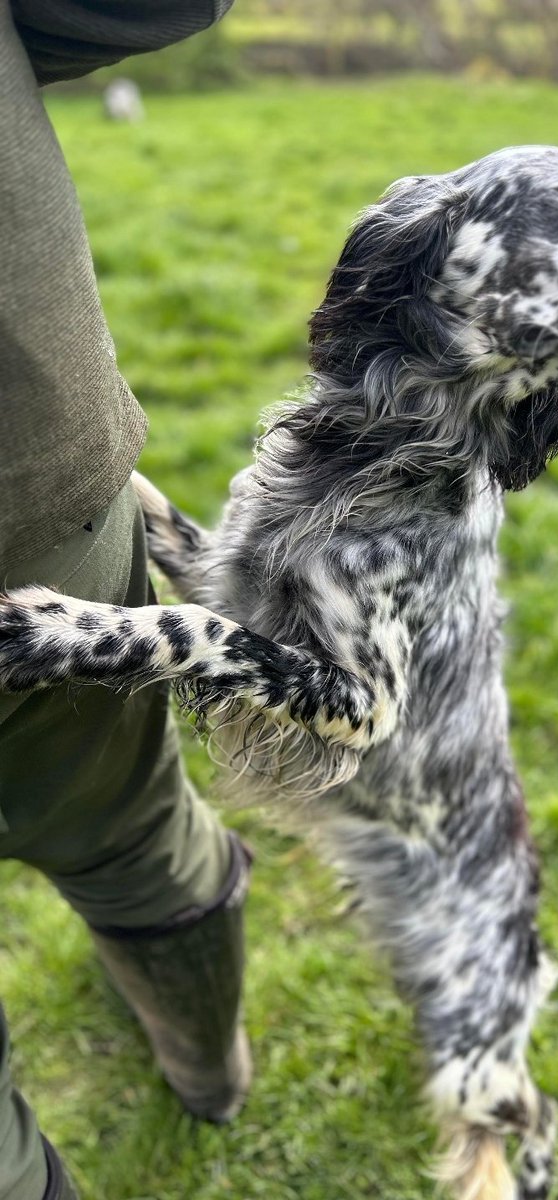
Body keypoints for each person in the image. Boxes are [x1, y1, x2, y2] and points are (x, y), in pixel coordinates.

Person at [0, 4, 251, 1197]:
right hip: (32, 479)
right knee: (128, 832)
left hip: (43, 492)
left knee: (131, 828)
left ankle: (207, 1071)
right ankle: (210, 1069)